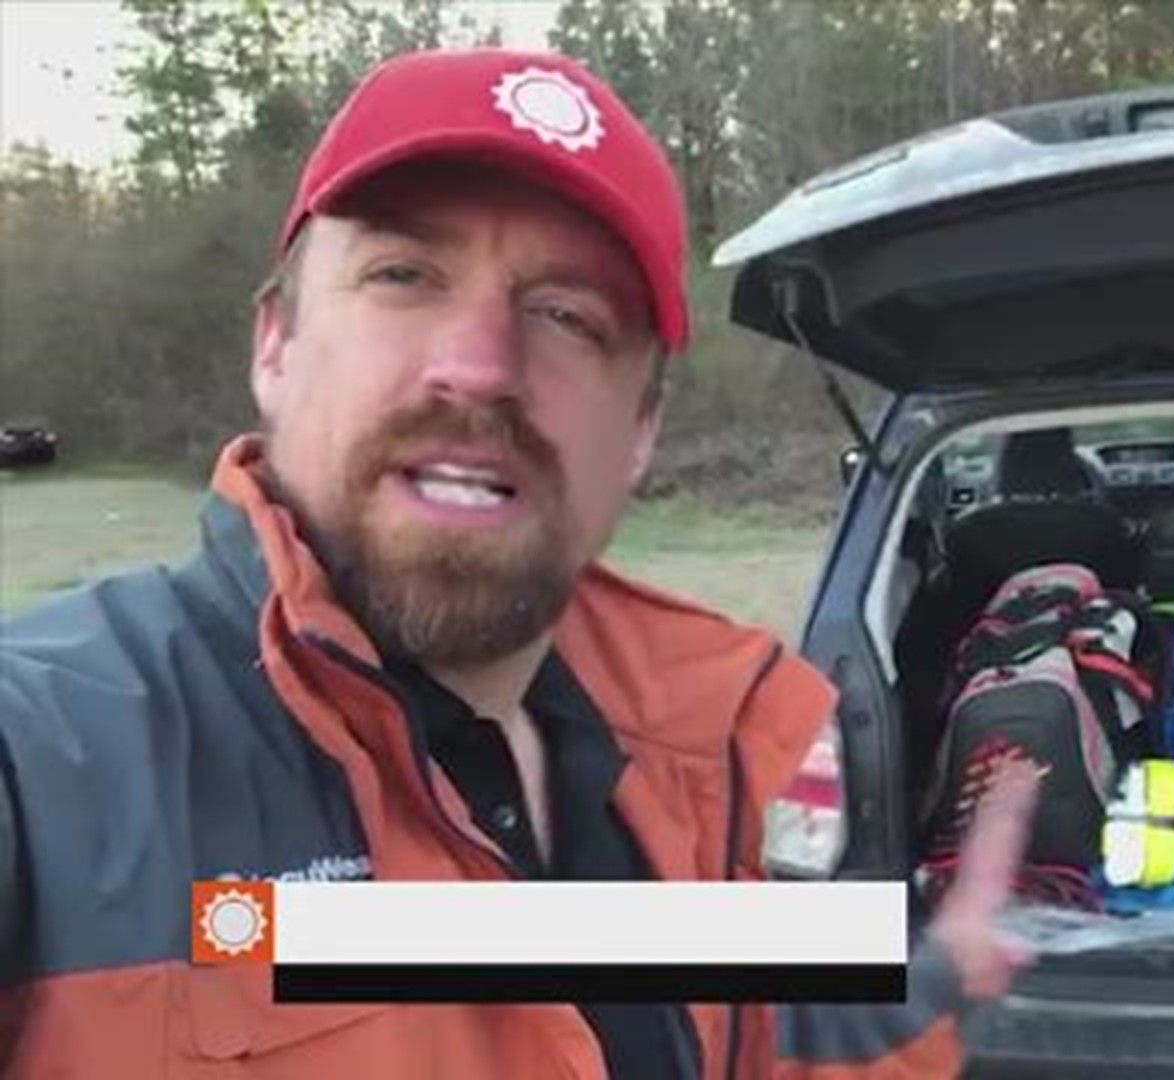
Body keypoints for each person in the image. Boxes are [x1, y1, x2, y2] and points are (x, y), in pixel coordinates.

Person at [0, 48, 1039, 1079]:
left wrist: (931, 979)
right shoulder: (49, 767)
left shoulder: (684, 758)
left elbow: (741, 1030)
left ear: (640, 428)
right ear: (275, 344)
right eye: (404, 275)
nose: (481, 366)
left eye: (565, 316)